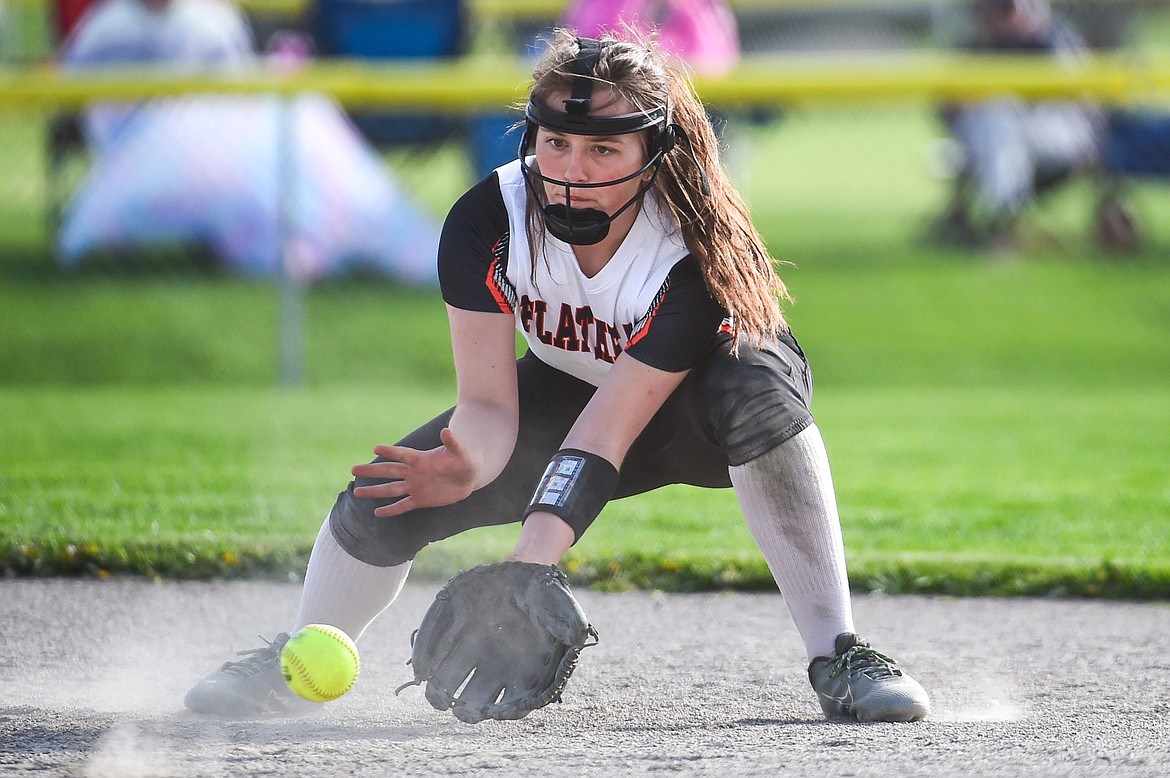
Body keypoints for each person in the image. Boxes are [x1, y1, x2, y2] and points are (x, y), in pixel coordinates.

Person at [184, 28, 931, 723]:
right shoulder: (490, 219)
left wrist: (525, 570)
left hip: (695, 411)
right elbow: (487, 403)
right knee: (386, 497)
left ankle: (841, 656)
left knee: (753, 388)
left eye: (605, 151)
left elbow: (608, 430)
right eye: (558, 143)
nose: (572, 171)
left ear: (656, 153)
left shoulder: (688, 244)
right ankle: (294, 667)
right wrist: (466, 460)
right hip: (569, 387)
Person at [935, 0, 1105, 250]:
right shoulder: (976, 48)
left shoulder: (1057, 43)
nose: (1002, 17)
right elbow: (947, 112)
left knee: (1002, 123)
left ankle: (1003, 226)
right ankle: (1005, 223)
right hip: (993, 145)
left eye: (1008, 9)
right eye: (991, 9)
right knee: (999, 119)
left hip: (1058, 143)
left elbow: (1090, 110)